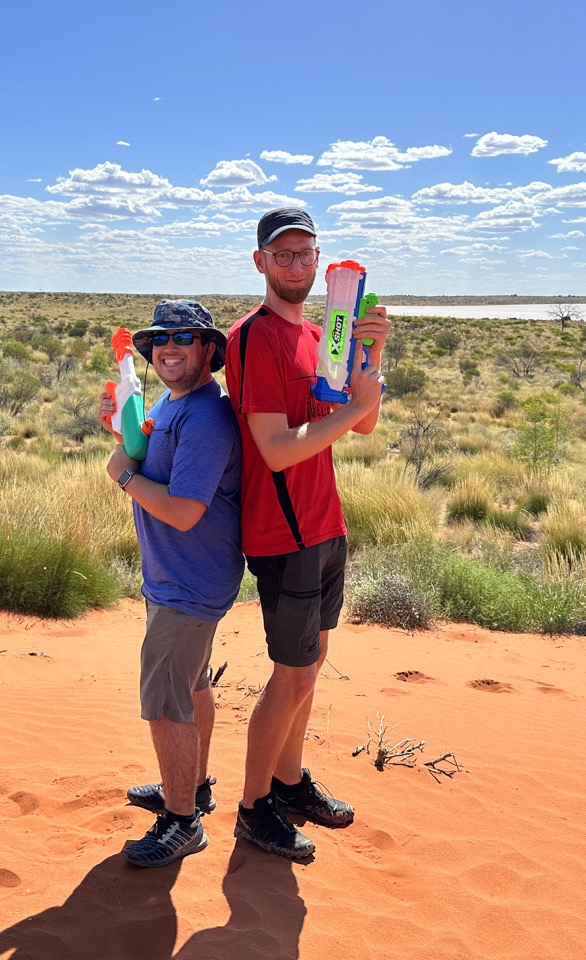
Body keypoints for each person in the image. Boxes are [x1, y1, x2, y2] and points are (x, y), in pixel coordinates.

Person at [224, 207, 390, 860]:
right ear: (260, 261)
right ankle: (252, 806)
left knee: (311, 667)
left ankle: (289, 782)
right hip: (282, 533)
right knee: (290, 674)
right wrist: (351, 412)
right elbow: (273, 449)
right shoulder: (253, 338)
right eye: (283, 255)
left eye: (307, 254)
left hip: (326, 522)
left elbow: (366, 423)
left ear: (321, 262)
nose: (297, 266)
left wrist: (371, 353)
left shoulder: (325, 336)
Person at [101, 299, 243, 868]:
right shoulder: (174, 401)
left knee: (166, 702)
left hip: (188, 584)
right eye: (160, 339)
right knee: (191, 687)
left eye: (184, 338)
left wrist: (126, 475)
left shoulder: (206, 416)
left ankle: (182, 821)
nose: (168, 348)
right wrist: (127, 433)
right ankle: (193, 786)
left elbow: (184, 510)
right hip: (178, 579)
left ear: (209, 350)